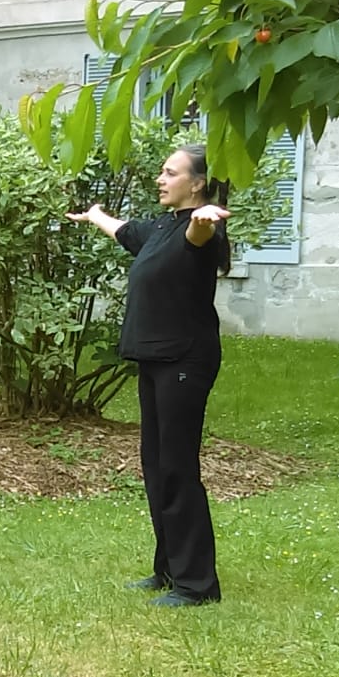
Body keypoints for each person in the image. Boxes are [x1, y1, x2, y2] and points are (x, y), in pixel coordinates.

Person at [66, 143, 231, 607]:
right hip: (156, 360)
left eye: (170, 172)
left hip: (185, 360)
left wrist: (205, 218)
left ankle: (197, 585)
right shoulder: (160, 227)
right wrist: (96, 214)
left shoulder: (197, 231)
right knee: (157, 468)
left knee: (178, 468)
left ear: (196, 184)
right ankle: (169, 570)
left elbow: (198, 236)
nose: (160, 179)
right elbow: (123, 231)